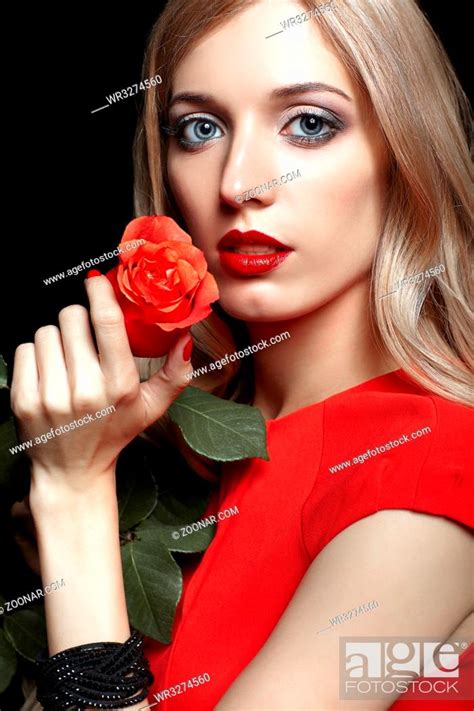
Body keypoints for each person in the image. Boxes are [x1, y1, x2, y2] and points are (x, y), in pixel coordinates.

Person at [11, 0, 473, 708]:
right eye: (200, 128)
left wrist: (73, 500)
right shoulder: (168, 450)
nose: (239, 184)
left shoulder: (431, 469)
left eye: (309, 125)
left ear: (404, 149)